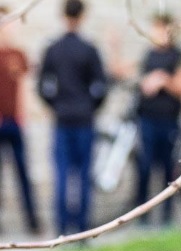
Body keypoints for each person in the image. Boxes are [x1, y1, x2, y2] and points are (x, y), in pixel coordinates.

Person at [38, 0, 107, 235]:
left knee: (62, 175)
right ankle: (82, 229)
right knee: (83, 175)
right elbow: (101, 86)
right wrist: (90, 106)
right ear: (82, 16)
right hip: (83, 119)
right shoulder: (88, 49)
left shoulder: (54, 49)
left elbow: (43, 86)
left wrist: (56, 105)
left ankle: (62, 229)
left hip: (63, 118)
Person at [135, 13, 181, 227]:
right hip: (147, 118)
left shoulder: (177, 56)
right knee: (145, 166)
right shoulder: (148, 55)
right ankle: (142, 214)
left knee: (168, 168)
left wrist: (164, 80)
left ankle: (167, 215)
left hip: (168, 120)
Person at [0, 5, 41, 234]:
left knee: (23, 173)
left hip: (15, 121)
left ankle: (32, 220)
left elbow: (25, 87)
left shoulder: (18, 54)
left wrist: (23, 114)